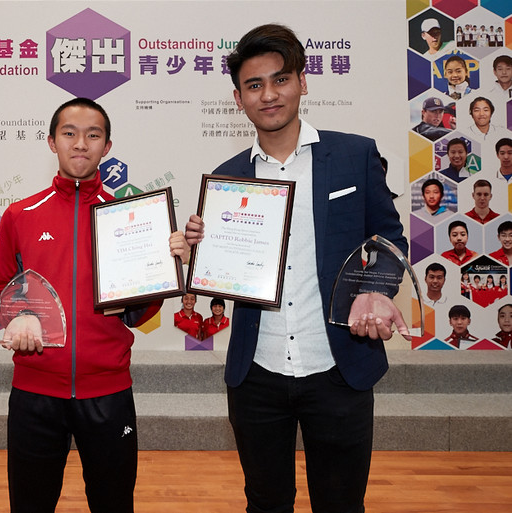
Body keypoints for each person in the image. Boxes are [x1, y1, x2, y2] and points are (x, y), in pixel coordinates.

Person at [183, 24, 408, 513]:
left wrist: (375, 290)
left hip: (338, 365)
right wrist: (196, 249)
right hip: (257, 372)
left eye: (280, 79)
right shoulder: (228, 179)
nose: (269, 94)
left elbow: (391, 240)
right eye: (254, 85)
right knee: (265, 501)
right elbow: (224, 273)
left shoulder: (353, 155)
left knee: (342, 502)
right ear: (238, 97)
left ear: (303, 82)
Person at [0, 97, 187, 513]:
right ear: (51, 142)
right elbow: (3, 292)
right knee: (29, 505)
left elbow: (140, 312)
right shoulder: (20, 215)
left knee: (114, 504)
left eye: (93, 135)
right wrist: (16, 316)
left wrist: (166, 268)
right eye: (69, 133)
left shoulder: (131, 218)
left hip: (109, 391)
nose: (81, 143)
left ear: (107, 146)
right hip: (35, 392)